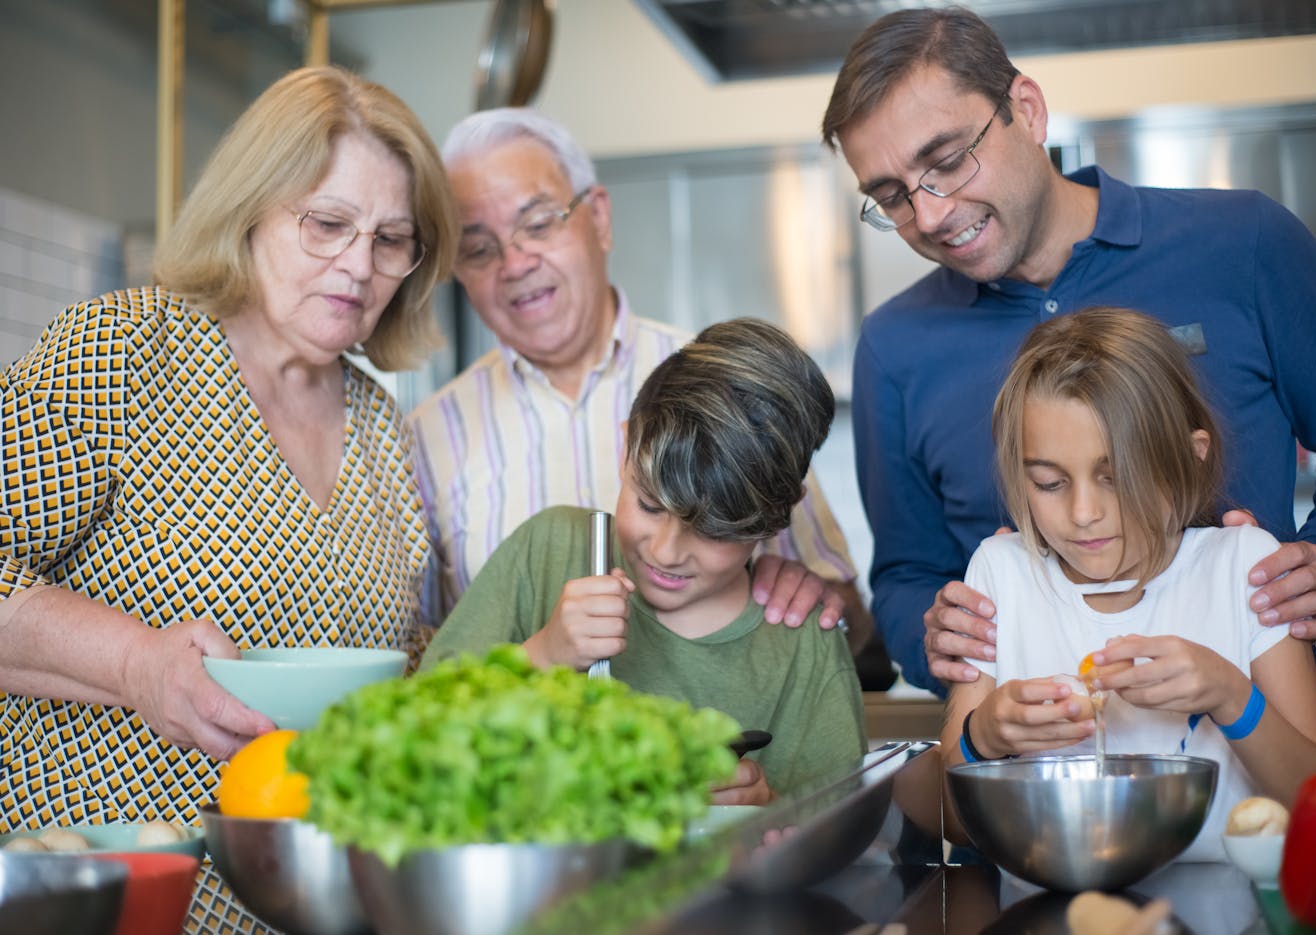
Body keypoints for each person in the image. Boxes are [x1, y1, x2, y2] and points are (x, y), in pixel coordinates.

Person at [820, 6, 1316, 693]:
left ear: (1027, 111)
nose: (932, 214)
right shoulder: (894, 348)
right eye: (892, 198)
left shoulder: (1247, 242)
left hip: (1256, 742)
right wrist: (936, 635)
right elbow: (907, 575)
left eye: (946, 161)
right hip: (1035, 772)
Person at [0, 66, 455, 932]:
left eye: (392, 239)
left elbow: (401, 656)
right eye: (328, 223)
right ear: (251, 207)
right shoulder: (129, 351)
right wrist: (136, 663)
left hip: (315, 909)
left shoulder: (384, 429)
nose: (359, 265)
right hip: (107, 902)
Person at [409, 108, 894, 687]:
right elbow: (433, 664)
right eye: (478, 249)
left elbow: (857, 636)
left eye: (538, 223)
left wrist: (818, 599)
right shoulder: (425, 435)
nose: (515, 264)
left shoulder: (724, 392)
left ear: (600, 217)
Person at [938, 308, 1316, 859]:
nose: (1084, 513)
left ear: (1192, 460)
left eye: (1117, 477)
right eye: (1050, 483)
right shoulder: (1000, 573)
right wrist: (981, 738)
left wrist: (1231, 696)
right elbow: (949, 821)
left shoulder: (1244, 568)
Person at [423, 319, 868, 801]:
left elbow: (839, 823)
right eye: (650, 505)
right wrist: (543, 655)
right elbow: (414, 727)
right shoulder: (545, 550)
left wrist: (766, 809)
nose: (665, 552)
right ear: (625, 445)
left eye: (713, 529)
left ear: (778, 517)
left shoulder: (803, 645)